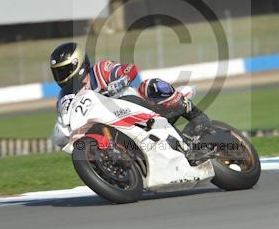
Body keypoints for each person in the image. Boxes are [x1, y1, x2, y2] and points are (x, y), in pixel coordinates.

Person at [49, 42, 211, 149]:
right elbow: (66, 122)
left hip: (139, 108)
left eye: (64, 70)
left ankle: (197, 117)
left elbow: (129, 69)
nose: (61, 76)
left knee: (150, 86)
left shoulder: (100, 70)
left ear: (79, 64)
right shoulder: (66, 97)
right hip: (117, 131)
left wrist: (120, 81)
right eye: (58, 72)